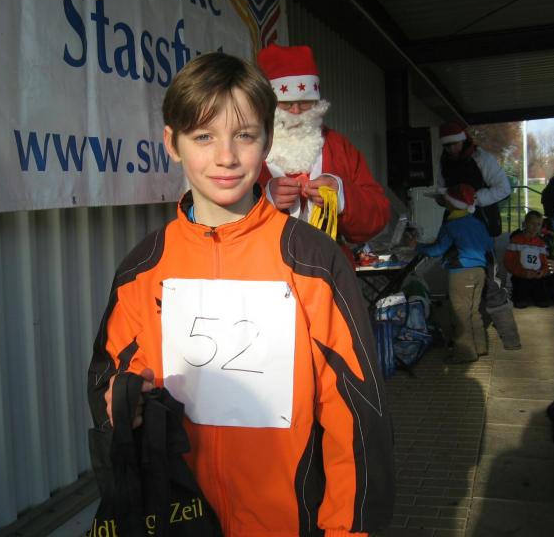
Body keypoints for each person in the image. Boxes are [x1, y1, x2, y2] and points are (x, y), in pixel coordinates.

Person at [87, 52, 394, 536]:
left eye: (245, 136)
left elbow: (354, 413)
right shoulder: (143, 268)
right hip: (181, 520)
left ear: (267, 141)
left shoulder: (313, 261)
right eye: (203, 137)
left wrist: (347, 530)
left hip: (290, 521)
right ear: (172, 143)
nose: (226, 157)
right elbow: (110, 380)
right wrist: (124, 403)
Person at [255, 43, 390, 249]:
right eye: (286, 103)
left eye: (305, 102)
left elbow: (378, 215)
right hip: (265, 262)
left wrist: (343, 197)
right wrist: (265, 200)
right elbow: (222, 217)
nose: (296, 111)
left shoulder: (339, 146)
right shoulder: (247, 146)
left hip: (330, 263)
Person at [436, 121, 521, 350]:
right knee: (459, 286)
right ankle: (463, 339)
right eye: (447, 146)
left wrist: (474, 199)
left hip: (482, 223)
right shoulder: (444, 160)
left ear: (463, 141)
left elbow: (503, 188)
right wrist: (445, 199)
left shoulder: (482, 158)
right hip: (456, 223)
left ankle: (510, 338)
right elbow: (442, 187)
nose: (452, 149)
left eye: (455, 144)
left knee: (492, 284)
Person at [413, 184, 493, 363]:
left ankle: (465, 353)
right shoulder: (476, 222)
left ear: (451, 203)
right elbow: (488, 244)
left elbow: (437, 250)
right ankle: (480, 347)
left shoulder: (452, 225)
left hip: (461, 272)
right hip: (480, 271)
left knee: (460, 314)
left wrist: (417, 247)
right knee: (473, 311)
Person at [504, 210, 554, 308]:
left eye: (538, 224)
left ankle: (534, 295)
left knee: (544, 303)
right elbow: (508, 262)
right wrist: (521, 272)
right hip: (520, 277)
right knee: (521, 303)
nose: (535, 227)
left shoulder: (541, 244)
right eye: (532, 223)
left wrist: (542, 272)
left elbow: (544, 263)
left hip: (537, 278)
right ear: (525, 224)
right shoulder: (516, 240)